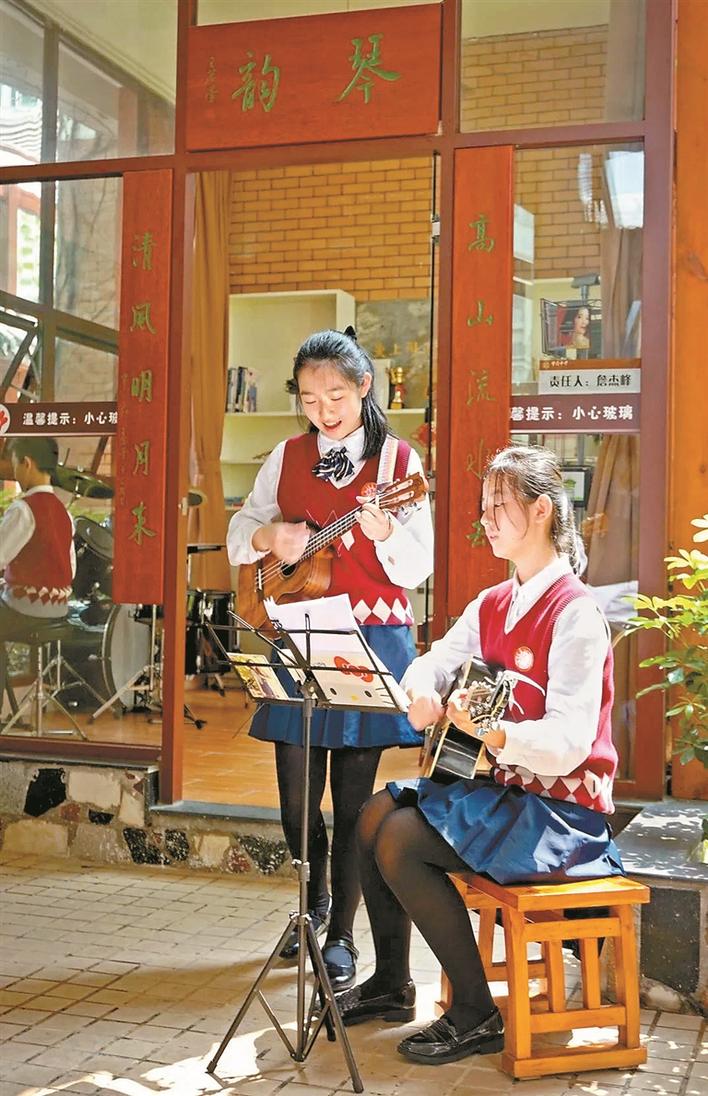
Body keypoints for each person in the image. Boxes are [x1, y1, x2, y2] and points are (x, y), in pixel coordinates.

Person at [337, 444, 623, 1066]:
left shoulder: (576, 613)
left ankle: (475, 1012)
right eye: (484, 507)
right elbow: (433, 662)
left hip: (561, 814)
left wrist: (495, 735)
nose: (485, 520)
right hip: (509, 796)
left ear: (542, 511)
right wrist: (420, 692)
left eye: (499, 506)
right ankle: (391, 982)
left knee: (401, 839)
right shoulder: (494, 602)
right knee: (373, 814)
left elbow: (571, 743)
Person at [226, 327, 434, 991]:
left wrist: (386, 531)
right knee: (295, 797)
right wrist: (270, 533)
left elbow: (418, 567)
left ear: (364, 387)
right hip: (297, 631)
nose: (324, 411)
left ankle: (342, 934)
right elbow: (238, 535)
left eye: (336, 396)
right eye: (311, 400)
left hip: (369, 637)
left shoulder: (398, 462)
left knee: (351, 799)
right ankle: (311, 903)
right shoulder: (286, 456)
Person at [0, 437, 75, 712]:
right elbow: (71, 569)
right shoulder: (64, 513)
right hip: (58, 610)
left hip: (25, 609)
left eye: (15, 465)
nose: (14, 472)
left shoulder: (23, 509)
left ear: (27, 463)